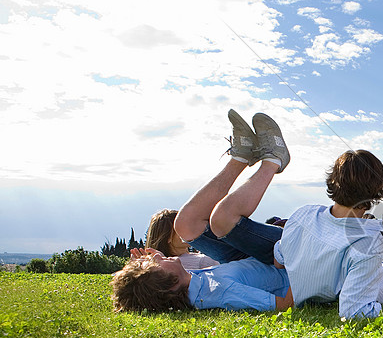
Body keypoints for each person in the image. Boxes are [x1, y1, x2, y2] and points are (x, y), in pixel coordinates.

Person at [113, 110, 294, 313]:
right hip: (286, 261)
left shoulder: (191, 284)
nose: (157, 257)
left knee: (185, 224)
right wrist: (308, 263)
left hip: (253, 262)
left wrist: (145, 269)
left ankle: (241, 157)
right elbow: (284, 305)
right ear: (170, 285)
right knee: (222, 219)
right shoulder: (218, 292)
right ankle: (274, 160)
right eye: (156, 265)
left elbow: (165, 280)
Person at [274, 149, 383, 319]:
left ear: (333, 179)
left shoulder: (303, 215)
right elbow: (354, 312)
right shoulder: (366, 243)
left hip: (378, 263)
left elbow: (279, 259)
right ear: (374, 193)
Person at [144, 209, 219, 270]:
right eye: (179, 228)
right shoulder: (203, 261)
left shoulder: (151, 267)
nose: (188, 230)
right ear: (167, 237)